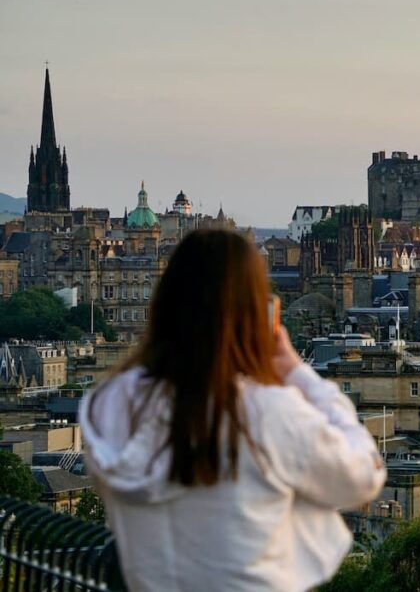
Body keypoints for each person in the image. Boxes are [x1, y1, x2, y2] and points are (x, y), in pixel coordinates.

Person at [82, 230, 386, 591]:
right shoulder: (266, 411)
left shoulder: (110, 403)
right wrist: (295, 370)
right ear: (255, 312)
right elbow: (363, 477)